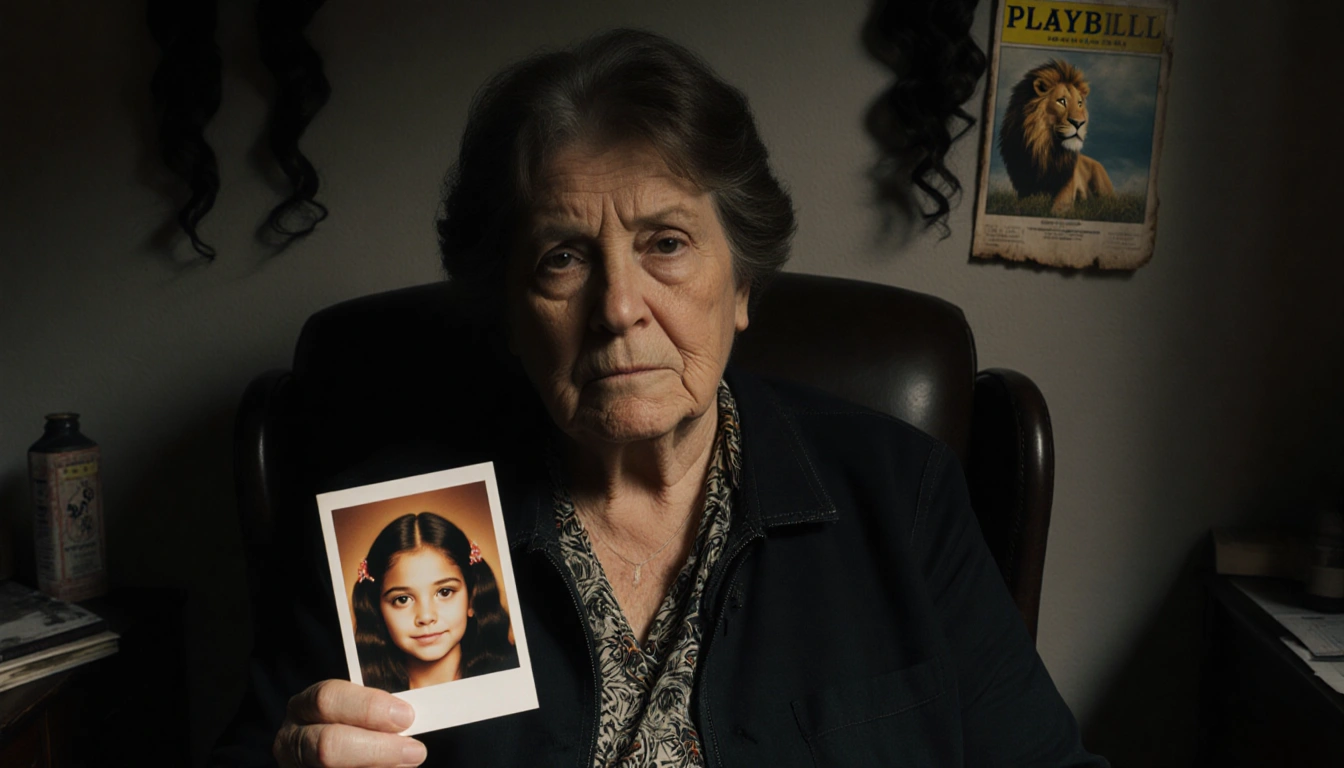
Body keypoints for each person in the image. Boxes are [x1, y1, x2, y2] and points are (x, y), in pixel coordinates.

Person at [214, 28, 1106, 768]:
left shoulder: (902, 494)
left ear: (742, 285)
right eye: (563, 257)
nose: (618, 307)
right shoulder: (388, 524)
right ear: (510, 316)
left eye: (667, 243)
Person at [351, 512, 517, 692]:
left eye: (444, 592)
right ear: (378, 610)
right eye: (402, 599)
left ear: (471, 598)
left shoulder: (514, 676)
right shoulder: (360, 691)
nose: (426, 617)